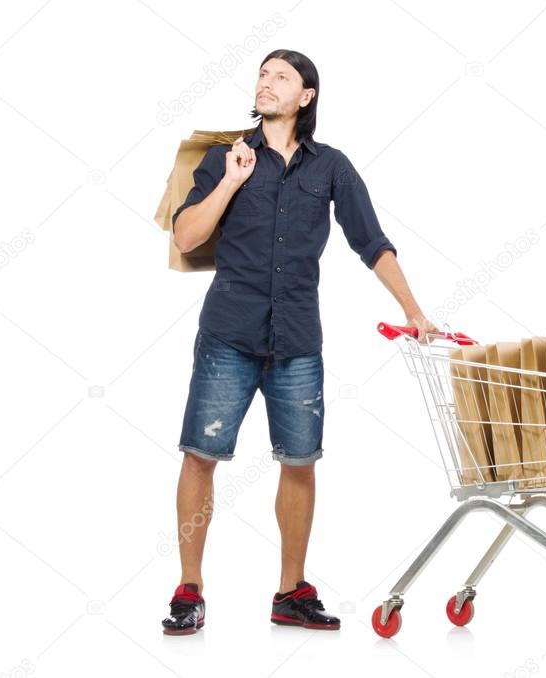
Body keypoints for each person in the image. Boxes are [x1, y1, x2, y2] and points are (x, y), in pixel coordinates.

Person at [161, 49, 436, 635]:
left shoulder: (330, 167)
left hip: (297, 343)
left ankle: (290, 592)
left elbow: (372, 242)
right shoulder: (224, 157)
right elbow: (186, 237)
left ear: (306, 96)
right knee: (200, 456)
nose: (266, 83)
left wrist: (413, 310)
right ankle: (189, 588)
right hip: (228, 335)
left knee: (301, 463)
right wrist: (232, 181)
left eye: (281, 77)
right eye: (262, 74)